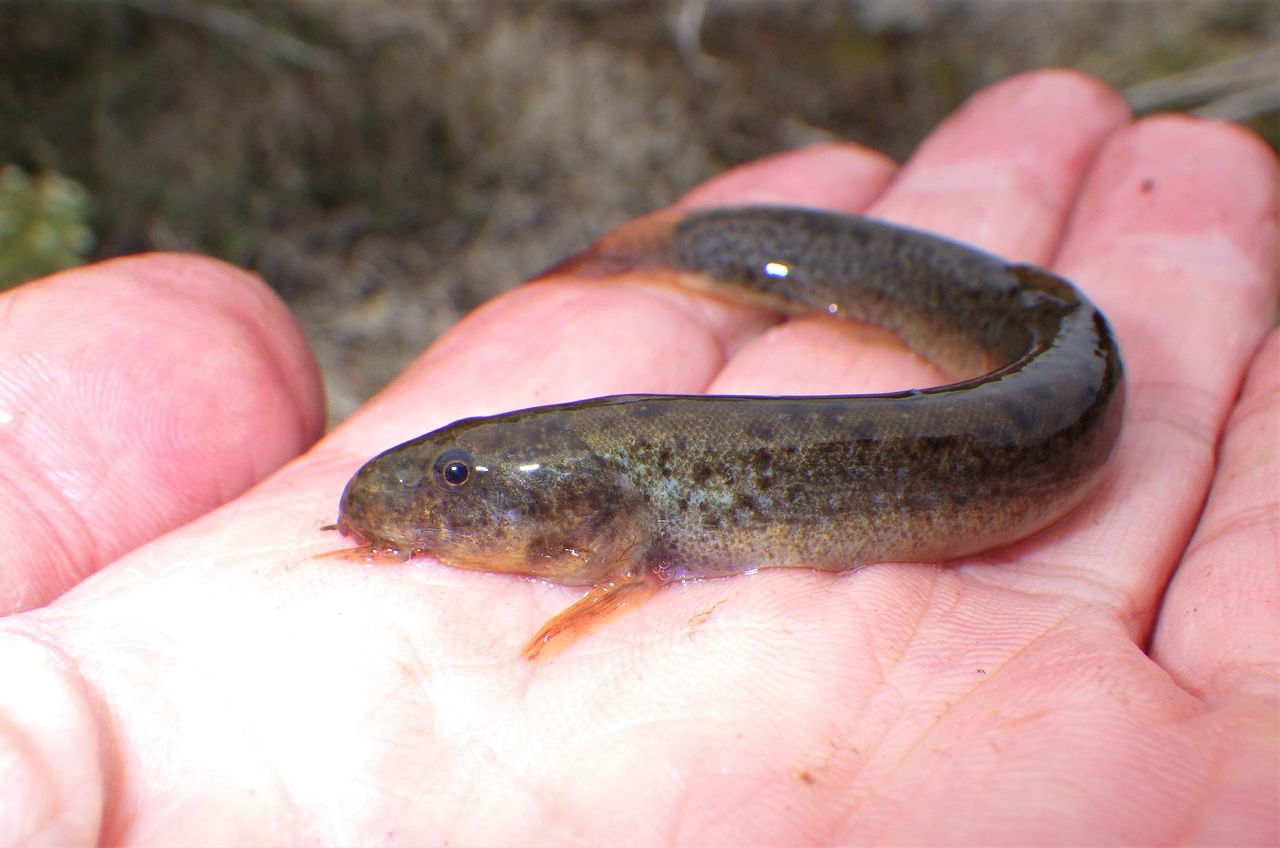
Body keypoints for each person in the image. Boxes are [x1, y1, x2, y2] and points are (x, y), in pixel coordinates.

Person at [1, 69, 1275, 845]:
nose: (430, 502)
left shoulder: (1061, 377)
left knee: (1045, 326)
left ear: (605, 522)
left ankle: (710, 241)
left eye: (457, 492)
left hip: (1059, 399)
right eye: (450, 485)